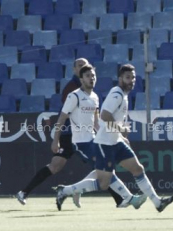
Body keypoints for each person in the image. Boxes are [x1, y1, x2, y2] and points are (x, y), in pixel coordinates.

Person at [56, 64, 173, 212]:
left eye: (133, 77)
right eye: (128, 77)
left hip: (116, 141)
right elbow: (104, 115)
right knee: (103, 183)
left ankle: (158, 203)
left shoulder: (121, 95)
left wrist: (120, 135)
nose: (131, 80)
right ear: (120, 79)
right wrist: (121, 129)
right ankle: (66, 191)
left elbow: (102, 119)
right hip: (104, 144)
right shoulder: (117, 94)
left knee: (138, 169)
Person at [16, 58, 123, 208]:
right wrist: (56, 139)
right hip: (69, 135)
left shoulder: (92, 92)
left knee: (99, 167)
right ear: (74, 70)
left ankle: (114, 198)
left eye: (84, 65)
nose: (82, 67)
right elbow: (64, 114)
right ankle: (24, 192)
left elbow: (94, 119)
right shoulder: (72, 89)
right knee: (55, 166)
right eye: (79, 66)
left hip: (84, 136)